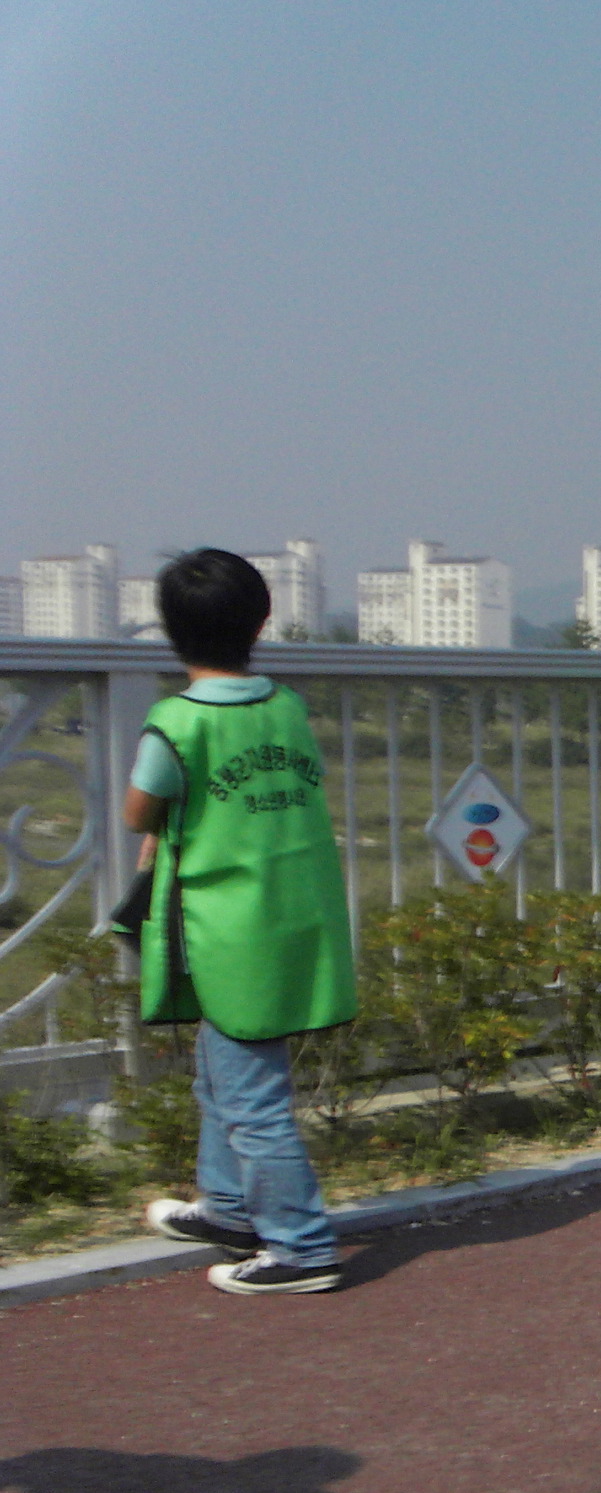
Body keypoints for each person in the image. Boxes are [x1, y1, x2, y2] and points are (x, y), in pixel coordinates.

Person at [120, 552, 359, 1297]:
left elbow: (140, 810)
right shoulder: (286, 708)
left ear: (170, 632)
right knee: (222, 1078)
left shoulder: (177, 722)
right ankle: (225, 1207)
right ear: (260, 623)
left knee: (252, 1102)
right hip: (292, 916)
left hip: (227, 932)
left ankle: (301, 1246)